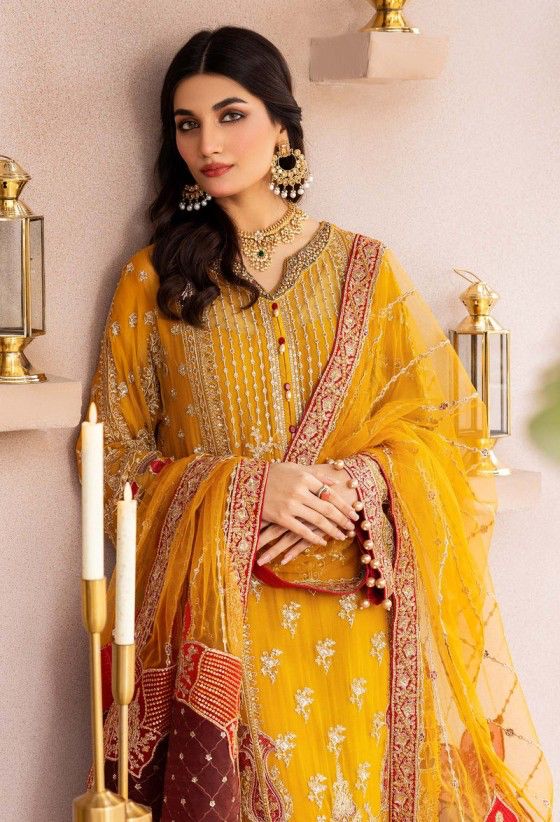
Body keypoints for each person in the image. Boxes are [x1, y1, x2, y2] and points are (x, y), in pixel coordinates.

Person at [74, 25, 553, 822]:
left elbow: (451, 436)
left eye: (232, 116)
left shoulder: (367, 270)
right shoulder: (154, 281)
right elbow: (112, 451)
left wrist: (356, 482)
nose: (208, 143)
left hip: (364, 616)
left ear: (283, 128)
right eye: (186, 124)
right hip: (227, 618)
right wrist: (248, 489)